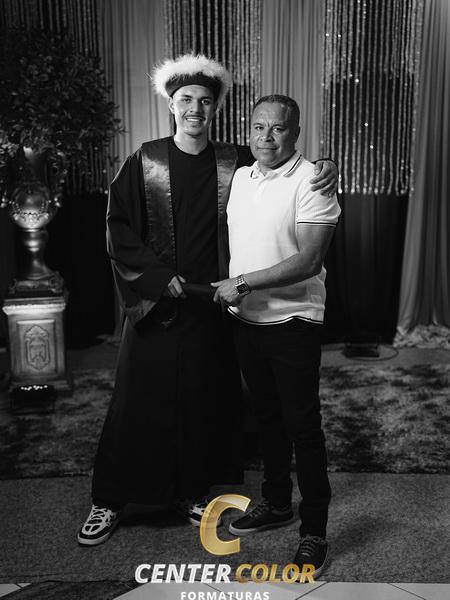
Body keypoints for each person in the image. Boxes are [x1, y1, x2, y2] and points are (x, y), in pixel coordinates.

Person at [78, 55, 338, 547]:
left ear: (216, 108)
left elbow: (283, 156)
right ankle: (109, 498)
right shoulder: (145, 160)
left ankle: (189, 490)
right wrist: (158, 279)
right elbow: (118, 230)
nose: (195, 108)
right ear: (171, 105)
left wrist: (326, 165)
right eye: (185, 100)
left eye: (204, 100)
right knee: (137, 402)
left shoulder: (234, 161)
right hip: (158, 302)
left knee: (201, 403)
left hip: (213, 305)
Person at [212, 94, 341, 578]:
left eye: (278, 128)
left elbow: (309, 260)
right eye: (258, 127)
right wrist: (240, 293)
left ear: (296, 133)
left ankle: (315, 532)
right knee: (266, 418)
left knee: (302, 427)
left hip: (294, 321)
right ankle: (277, 503)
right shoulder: (241, 176)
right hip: (247, 320)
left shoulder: (313, 180)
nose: (266, 137)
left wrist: (242, 283)